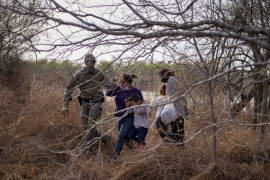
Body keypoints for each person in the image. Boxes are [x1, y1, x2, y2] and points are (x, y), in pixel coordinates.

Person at [62, 53, 109, 145]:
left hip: (96, 102)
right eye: (87, 62)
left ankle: (86, 150)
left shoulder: (99, 73)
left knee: (91, 127)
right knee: (86, 127)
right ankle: (106, 140)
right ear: (85, 62)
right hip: (84, 103)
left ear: (94, 63)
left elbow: (109, 85)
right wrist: (65, 105)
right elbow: (69, 87)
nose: (90, 64)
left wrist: (120, 89)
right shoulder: (79, 74)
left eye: (92, 62)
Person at [106, 74, 143, 159]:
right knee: (125, 137)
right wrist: (113, 84)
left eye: (123, 82)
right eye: (120, 82)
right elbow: (108, 93)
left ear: (129, 82)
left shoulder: (135, 90)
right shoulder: (118, 89)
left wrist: (133, 105)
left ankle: (114, 157)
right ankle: (134, 150)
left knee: (121, 136)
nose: (121, 84)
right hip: (119, 116)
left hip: (130, 116)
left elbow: (141, 102)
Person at [158, 68, 188, 144]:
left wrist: (168, 100)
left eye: (161, 76)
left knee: (159, 122)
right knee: (178, 127)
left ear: (166, 75)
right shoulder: (174, 80)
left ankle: (171, 140)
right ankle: (178, 144)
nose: (161, 78)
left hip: (175, 107)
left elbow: (177, 93)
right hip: (178, 107)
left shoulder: (171, 80)